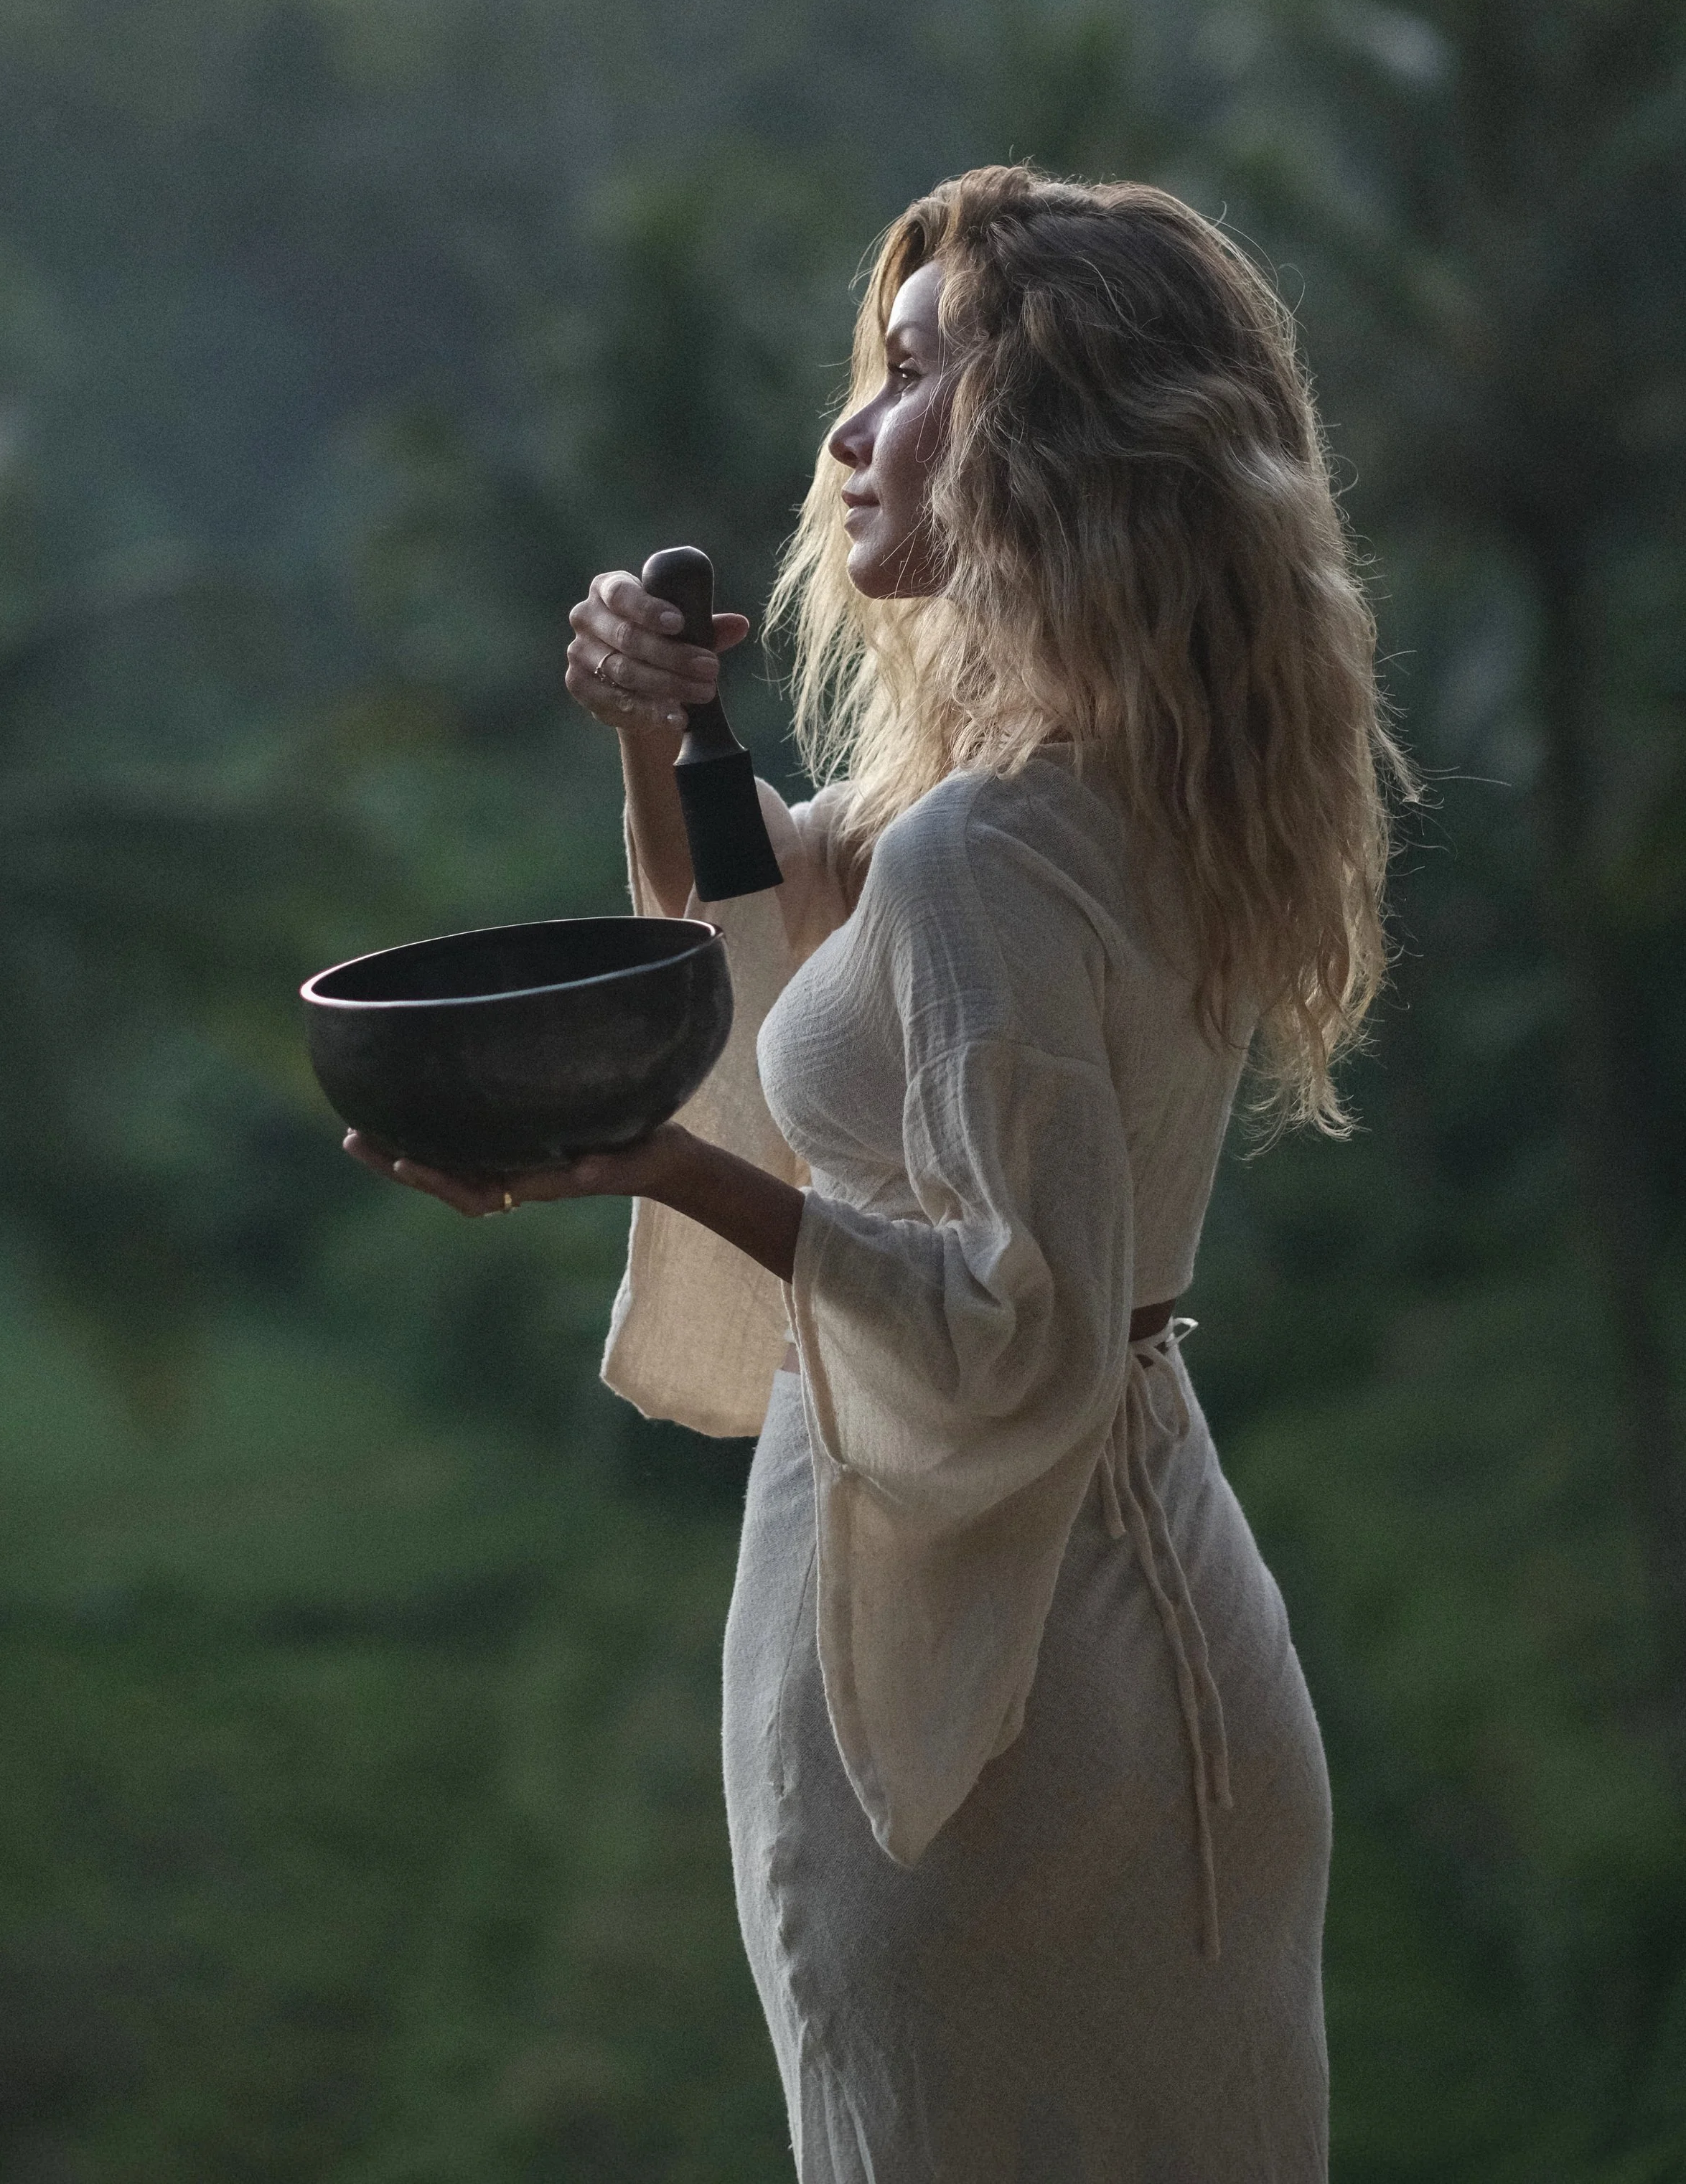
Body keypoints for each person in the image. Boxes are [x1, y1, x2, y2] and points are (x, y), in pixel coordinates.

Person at [347, 166, 1411, 2180]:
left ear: (1051, 432)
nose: (853, 427)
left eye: (923, 375)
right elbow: (781, 905)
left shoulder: (987, 850)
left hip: (990, 1700)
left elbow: (1016, 1342)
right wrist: (671, 737)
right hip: (1142, 1601)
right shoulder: (1107, 774)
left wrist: (659, 1162)